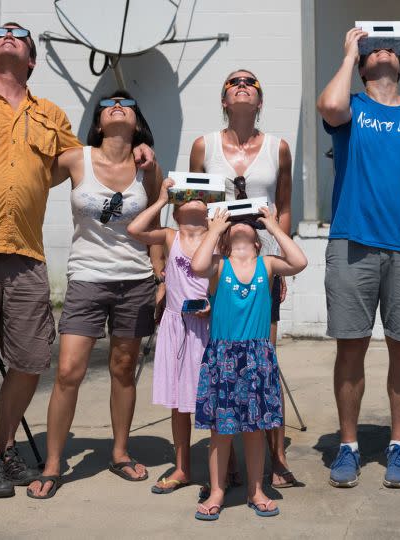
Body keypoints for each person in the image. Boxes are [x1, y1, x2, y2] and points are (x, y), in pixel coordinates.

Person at [0, 22, 153, 498]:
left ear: (31, 61)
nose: (8, 36)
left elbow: (93, 160)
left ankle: (0, 448)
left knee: (31, 358)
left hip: (25, 251)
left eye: (20, 36)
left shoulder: (52, 116)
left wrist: (139, 148)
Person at [26, 90, 162, 498]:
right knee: (68, 372)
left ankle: (119, 453)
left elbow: (157, 223)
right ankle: (53, 464)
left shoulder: (148, 167)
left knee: (124, 370)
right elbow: (28, 179)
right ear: (99, 121)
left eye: (126, 101)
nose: (116, 104)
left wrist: (160, 276)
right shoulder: (75, 158)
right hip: (87, 277)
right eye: (107, 103)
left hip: (135, 279)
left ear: (137, 121)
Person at [317, 26, 400, 489]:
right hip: (352, 242)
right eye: (372, 49)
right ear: (363, 65)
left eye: (390, 47)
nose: (382, 50)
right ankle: (348, 446)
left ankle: (399, 445)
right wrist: (349, 51)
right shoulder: (351, 109)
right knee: (351, 346)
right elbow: (329, 105)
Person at [189, 68, 297, 488]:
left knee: (264, 361)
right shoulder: (204, 145)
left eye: (251, 81)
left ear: (260, 100)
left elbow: (284, 207)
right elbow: (194, 203)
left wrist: (275, 257)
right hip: (220, 266)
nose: (242, 85)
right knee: (223, 359)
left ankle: (277, 456)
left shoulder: (278, 148)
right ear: (223, 99)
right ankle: (227, 461)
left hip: (261, 263)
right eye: (233, 81)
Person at [190, 207, 308, 520]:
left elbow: (299, 261)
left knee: (255, 430)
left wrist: (273, 227)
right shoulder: (218, 264)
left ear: (257, 242)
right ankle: (217, 490)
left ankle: (256, 489)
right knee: (220, 431)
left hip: (258, 357)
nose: (240, 226)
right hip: (223, 357)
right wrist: (214, 230)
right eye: (233, 225)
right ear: (225, 242)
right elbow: (197, 264)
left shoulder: (267, 264)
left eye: (248, 226)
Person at [127, 178, 212, 495]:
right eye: (186, 196)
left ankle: (225, 468)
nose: (193, 198)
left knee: (213, 397)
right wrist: (161, 199)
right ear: (176, 212)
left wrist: (213, 307)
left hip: (209, 327)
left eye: (201, 197)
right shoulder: (169, 235)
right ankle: (182, 467)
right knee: (179, 404)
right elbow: (134, 230)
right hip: (177, 327)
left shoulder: (218, 238)